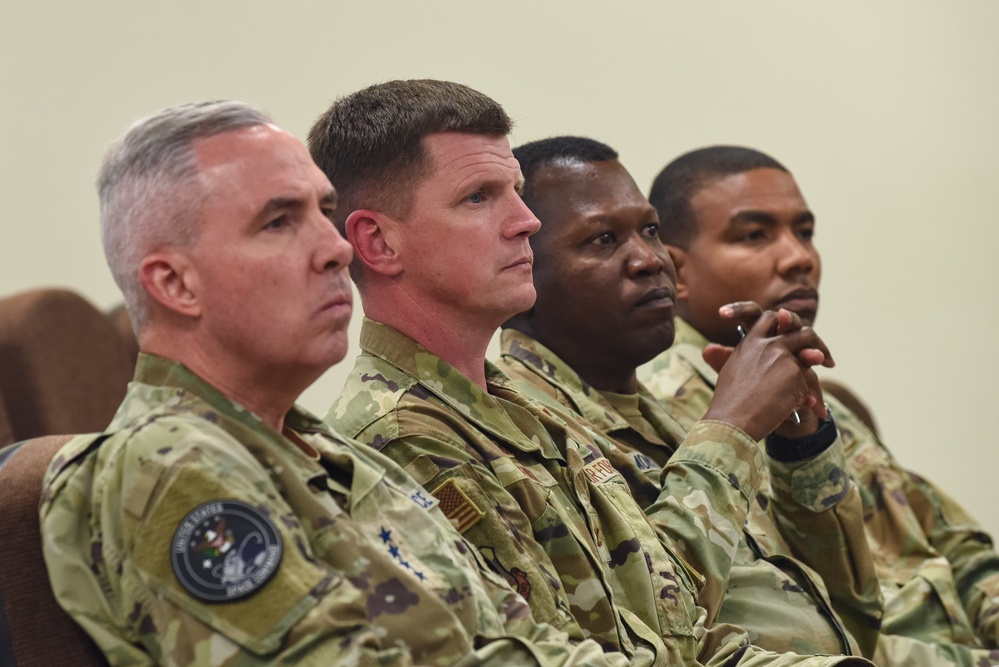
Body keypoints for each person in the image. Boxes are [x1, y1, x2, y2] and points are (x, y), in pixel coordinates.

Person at [39, 100, 635, 666]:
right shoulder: (172, 466)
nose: (335, 249)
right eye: (278, 222)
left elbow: (518, 641)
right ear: (175, 284)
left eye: (322, 214)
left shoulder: (330, 456)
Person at [312, 79, 871, 666]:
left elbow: (670, 630)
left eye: (517, 192)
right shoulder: (400, 437)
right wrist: (729, 430)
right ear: (376, 242)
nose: (526, 221)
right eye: (479, 197)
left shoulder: (524, 414)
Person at [495, 135, 882, 658]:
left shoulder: (667, 418)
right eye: (603, 239)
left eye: (649, 231)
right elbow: (653, 634)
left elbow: (853, 616)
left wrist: (801, 445)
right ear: (523, 269)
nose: (649, 260)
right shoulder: (516, 435)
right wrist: (733, 427)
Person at [639, 145, 999, 666]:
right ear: (677, 270)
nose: (798, 256)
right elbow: (792, 624)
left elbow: (959, 546)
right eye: (753, 235)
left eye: (804, 231)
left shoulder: (803, 383)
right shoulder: (676, 408)